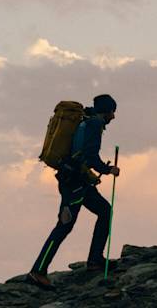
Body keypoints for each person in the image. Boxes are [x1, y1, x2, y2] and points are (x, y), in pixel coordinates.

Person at [28, 94, 121, 288]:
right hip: (75, 185)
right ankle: (38, 271)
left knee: (105, 211)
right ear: (106, 111)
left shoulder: (85, 120)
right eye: (113, 112)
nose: (113, 117)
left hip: (76, 181)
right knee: (64, 226)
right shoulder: (94, 124)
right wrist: (108, 170)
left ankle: (95, 260)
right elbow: (90, 156)